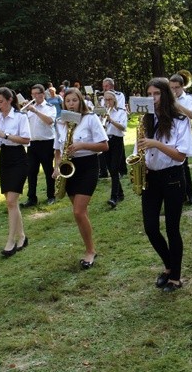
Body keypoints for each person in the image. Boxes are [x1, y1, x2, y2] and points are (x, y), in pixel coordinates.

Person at [137, 78, 192, 292]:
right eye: (149, 94)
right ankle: (169, 266)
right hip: (150, 177)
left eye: (157, 94)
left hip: (173, 177)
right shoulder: (145, 120)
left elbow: (180, 156)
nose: (153, 98)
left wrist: (156, 144)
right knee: (150, 228)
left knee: (172, 228)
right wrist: (138, 161)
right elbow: (139, 148)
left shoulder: (181, 120)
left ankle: (175, 277)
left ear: (166, 95)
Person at [53, 87, 108, 269]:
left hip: (88, 166)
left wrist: (81, 145)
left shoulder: (90, 118)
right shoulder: (61, 122)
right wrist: (57, 167)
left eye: (74, 100)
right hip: (69, 169)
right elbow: (57, 149)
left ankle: (90, 251)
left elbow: (104, 146)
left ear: (80, 101)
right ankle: (89, 246)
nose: (71, 104)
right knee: (81, 214)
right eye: (68, 101)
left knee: (78, 211)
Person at [0, 87, 31, 256]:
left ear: (9, 100)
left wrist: (4, 135)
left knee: (11, 201)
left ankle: (10, 241)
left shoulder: (21, 117)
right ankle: (22, 236)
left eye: (0, 101)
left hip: (18, 158)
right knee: (10, 201)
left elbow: (26, 139)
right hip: (5, 157)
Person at [22, 84, 57, 207]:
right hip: (32, 143)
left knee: (48, 170)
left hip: (47, 143)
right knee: (31, 171)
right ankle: (31, 198)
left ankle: (51, 196)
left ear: (43, 94)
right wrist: (25, 109)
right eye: (33, 94)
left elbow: (50, 121)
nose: (35, 96)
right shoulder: (29, 108)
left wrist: (36, 111)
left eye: (37, 94)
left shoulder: (49, 107)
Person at [170, 71, 192, 205]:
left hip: (183, 133)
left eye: (177, 87)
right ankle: (177, 195)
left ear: (182, 87)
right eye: (172, 88)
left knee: (184, 165)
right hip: (169, 133)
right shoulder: (166, 98)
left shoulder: (189, 99)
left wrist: (177, 104)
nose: (174, 90)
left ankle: (189, 193)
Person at [102, 91, 127, 208]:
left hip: (117, 140)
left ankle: (114, 197)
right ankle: (120, 193)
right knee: (110, 169)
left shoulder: (121, 112)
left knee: (114, 168)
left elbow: (123, 127)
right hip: (106, 141)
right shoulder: (102, 112)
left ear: (115, 100)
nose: (108, 102)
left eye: (110, 100)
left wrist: (110, 120)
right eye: (106, 100)